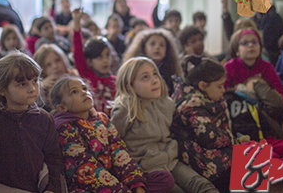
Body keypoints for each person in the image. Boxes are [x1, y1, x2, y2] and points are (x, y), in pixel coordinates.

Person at [112, 57, 219, 193]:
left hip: (171, 161)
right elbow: (114, 142)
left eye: (155, 74)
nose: (154, 80)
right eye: (145, 77)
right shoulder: (124, 108)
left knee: (203, 186)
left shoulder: (166, 103)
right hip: (148, 169)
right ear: (129, 86)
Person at [0, 52, 62, 193]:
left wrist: (51, 189)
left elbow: (54, 160)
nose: (32, 89)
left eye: (35, 81)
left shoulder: (44, 119)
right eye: (22, 84)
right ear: (2, 90)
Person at [51, 76, 162, 193]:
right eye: (74, 92)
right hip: (87, 186)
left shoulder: (101, 118)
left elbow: (118, 151)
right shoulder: (64, 128)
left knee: (163, 178)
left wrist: (135, 184)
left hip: (114, 180)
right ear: (62, 107)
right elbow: (84, 167)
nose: (84, 93)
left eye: (84, 88)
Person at [224, 76, 283, 172]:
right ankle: (277, 170)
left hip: (269, 141)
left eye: (263, 85)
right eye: (255, 82)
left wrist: (258, 86)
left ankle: (276, 170)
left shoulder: (264, 104)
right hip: (246, 142)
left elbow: (276, 106)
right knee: (268, 156)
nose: (259, 85)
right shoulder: (230, 97)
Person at [170, 56, 234, 192]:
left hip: (207, 151)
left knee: (253, 156)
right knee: (247, 164)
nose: (223, 90)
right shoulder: (193, 104)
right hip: (198, 158)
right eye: (219, 86)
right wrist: (230, 138)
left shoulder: (205, 99)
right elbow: (208, 137)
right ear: (203, 86)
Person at [224, 28, 283, 138]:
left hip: (263, 114)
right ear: (237, 50)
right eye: (244, 43)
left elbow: (280, 90)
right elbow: (221, 93)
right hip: (238, 115)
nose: (250, 45)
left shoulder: (266, 66)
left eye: (254, 42)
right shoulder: (229, 67)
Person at [72, 8, 116, 114]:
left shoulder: (116, 81)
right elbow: (78, 52)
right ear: (89, 61)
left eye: (107, 56)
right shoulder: (87, 77)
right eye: (99, 58)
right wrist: (77, 24)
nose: (105, 61)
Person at [123, 28, 181, 95]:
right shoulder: (134, 70)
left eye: (162, 45)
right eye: (152, 44)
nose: (157, 47)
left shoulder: (172, 72)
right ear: (144, 48)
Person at [33, 44, 77, 111]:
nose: (55, 66)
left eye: (57, 60)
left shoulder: (74, 76)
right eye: (48, 65)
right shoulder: (41, 88)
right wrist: (41, 87)